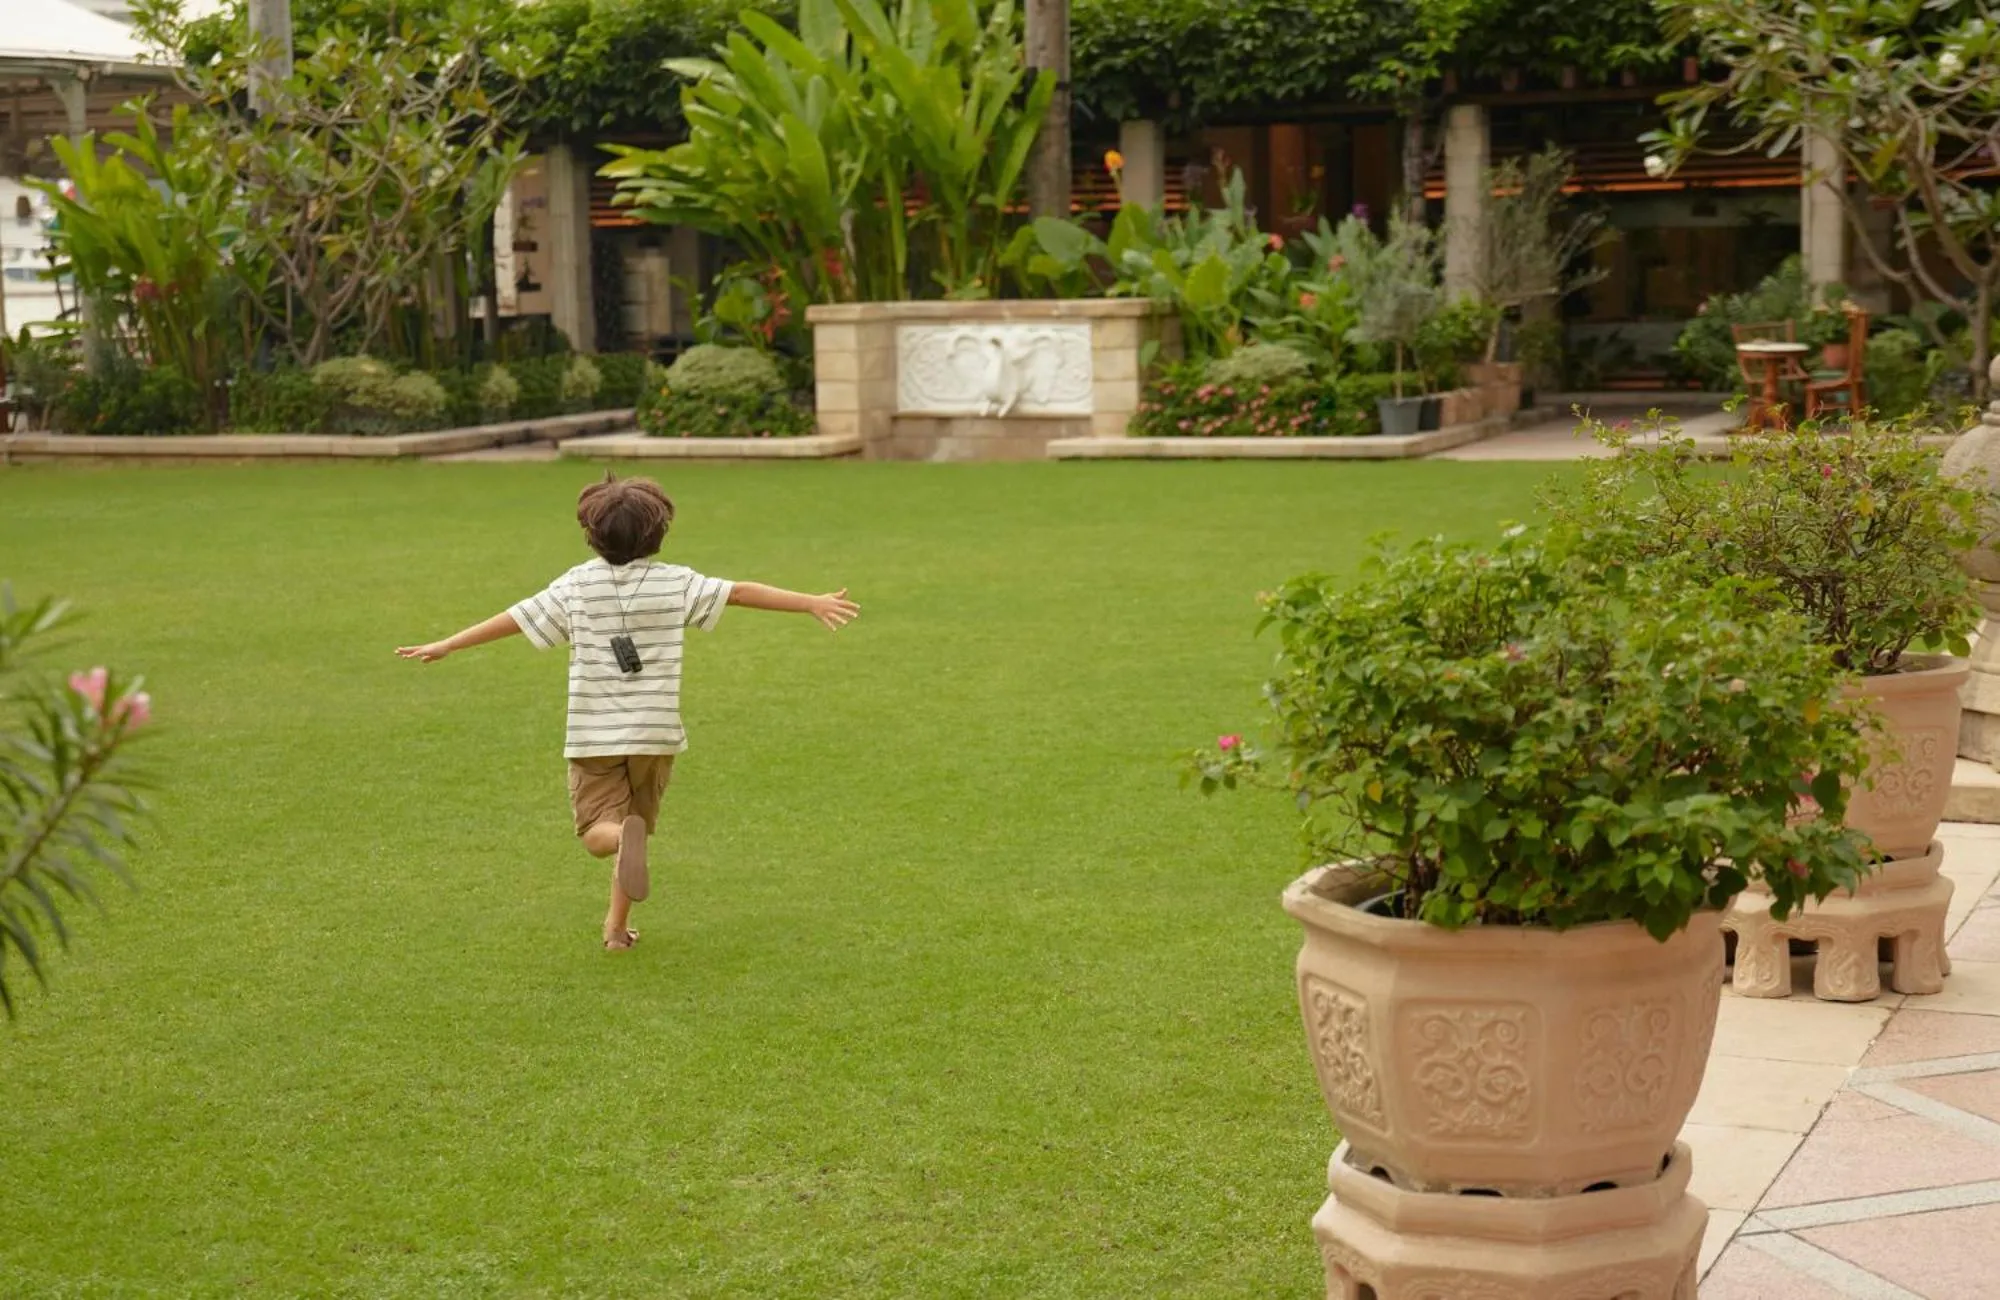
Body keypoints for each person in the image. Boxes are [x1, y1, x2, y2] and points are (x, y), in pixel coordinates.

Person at [396, 473, 859, 949]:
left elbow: (516, 617)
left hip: (595, 734)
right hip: (655, 733)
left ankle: (620, 843)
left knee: (600, 832)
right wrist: (809, 602)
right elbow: (739, 592)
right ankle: (616, 930)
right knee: (633, 825)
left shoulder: (576, 586)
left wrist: (449, 643)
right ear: (658, 533)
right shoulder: (677, 583)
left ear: (591, 534)